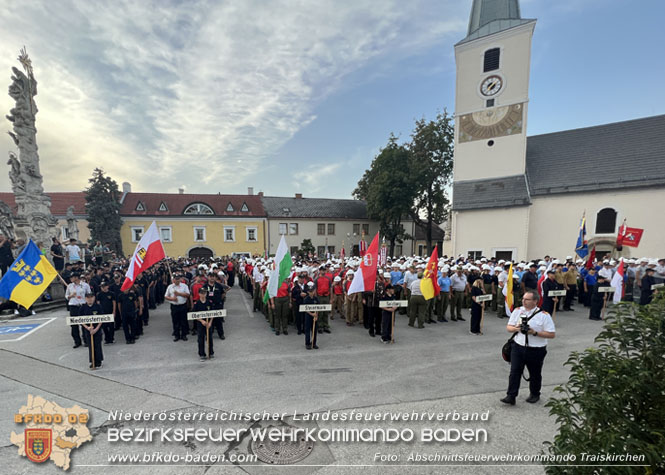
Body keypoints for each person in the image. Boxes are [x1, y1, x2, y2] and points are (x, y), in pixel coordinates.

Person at [501, 290, 556, 405]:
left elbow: (551, 334)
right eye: (523, 299)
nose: (524, 301)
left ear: (535, 301)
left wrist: (534, 332)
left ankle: (535, 393)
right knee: (514, 372)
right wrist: (517, 328)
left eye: (527, 299)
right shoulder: (517, 311)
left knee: (535, 373)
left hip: (536, 349)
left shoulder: (544, 315)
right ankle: (511, 396)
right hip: (518, 347)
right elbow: (508, 327)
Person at [79, 292, 103, 369]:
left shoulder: (98, 306)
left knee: (97, 345)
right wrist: (87, 328)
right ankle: (92, 361)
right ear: (85, 298)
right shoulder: (83, 308)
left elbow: (102, 319)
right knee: (91, 346)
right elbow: (80, 320)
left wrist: (96, 329)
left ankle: (98, 361)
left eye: (91, 297)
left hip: (97, 329)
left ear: (94, 298)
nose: (90, 299)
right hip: (88, 330)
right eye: (88, 297)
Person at [65, 273, 89, 348]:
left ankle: (86, 340)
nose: (70, 279)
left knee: (84, 324)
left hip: (82, 305)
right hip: (73, 306)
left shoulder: (85, 285)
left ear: (76, 277)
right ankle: (77, 341)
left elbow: (89, 294)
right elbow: (66, 296)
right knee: (74, 325)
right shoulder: (69, 286)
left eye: (72, 277)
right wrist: (70, 296)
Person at [165, 274, 190, 342]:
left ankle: (184, 335)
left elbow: (188, 295)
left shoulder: (184, 286)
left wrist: (179, 294)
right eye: (176, 279)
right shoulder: (170, 287)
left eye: (178, 279)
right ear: (173, 280)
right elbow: (166, 296)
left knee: (183, 321)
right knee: (175, 321)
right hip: (174, 306)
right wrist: (172, 299)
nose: (177, 280)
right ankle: (177, 335)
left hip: (182, 305)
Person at [193, 290, 214, 361]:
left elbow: (213, 313)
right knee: (200, 339)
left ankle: (210, 352)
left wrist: (210, 322)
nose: (203, 295)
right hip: (200, 323)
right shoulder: (197, 303)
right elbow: (194, 315)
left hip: (208, 323)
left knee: (210, 338)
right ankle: (202, 354)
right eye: (201, 293)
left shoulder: (209, 302)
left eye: (204, 293)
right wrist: (202, 321)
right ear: (199, 294)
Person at [303, 282, 319, 350]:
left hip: (314, 316)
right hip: (308, 316)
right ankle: (307, 343)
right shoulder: (306, 299)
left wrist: (316, 316)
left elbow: (318, 307)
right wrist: (312, 314)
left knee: (314, 330)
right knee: (307, 330)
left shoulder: (316, 299)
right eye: (310, 292)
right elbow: (305, 309)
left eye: (312, 291)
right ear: (308, 292)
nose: (311, 293)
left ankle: (314, 343)